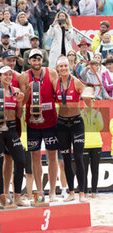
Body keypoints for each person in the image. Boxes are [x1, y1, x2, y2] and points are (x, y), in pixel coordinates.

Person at [19, 49, 59, 202]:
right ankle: (40, 191)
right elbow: (22, 102)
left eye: (39, 59)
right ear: (29, 61)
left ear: (42, 60)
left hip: (50, 121)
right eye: (33, 60)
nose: (36, 62)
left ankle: (53, 191)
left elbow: (57, 94)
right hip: (33, 123)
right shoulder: (24, 77)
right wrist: (29, 90)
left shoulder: (52, 73)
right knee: (35, 157)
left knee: (52, 156)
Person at [0, 65, 27, 206]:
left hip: (11, 129)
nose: (8, 77)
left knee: (20, 161)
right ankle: (1, 196)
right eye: (5, 75)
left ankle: (17, 197)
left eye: (10, 75)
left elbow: (19, 115)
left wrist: (20, 102)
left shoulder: (16, 91)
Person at [55, 56, 88, 202]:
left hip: (76, 123)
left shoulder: (76, 82)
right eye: (60, 66)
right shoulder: (55, 82)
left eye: (65, 66)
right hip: (62, 124)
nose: (63, 68)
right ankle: (71, 192)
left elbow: (89, 100)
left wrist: (89, 100)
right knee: (66, 160)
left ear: (69, 66)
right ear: (57, 68)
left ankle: (82, 193)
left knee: (79, 158)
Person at [81, 101, 103, 199]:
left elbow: (100, 127)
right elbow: (81, 128)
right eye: (86, 103)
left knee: (95, 169)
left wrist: (94, 117)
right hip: (85, 144)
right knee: (84, 170)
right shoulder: (81, 113)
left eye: (90, 102)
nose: (88, 104)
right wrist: (85, 116)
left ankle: (94, 192)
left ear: (93, 103)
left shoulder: (97, 113)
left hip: (96, 144)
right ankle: (85, 192)